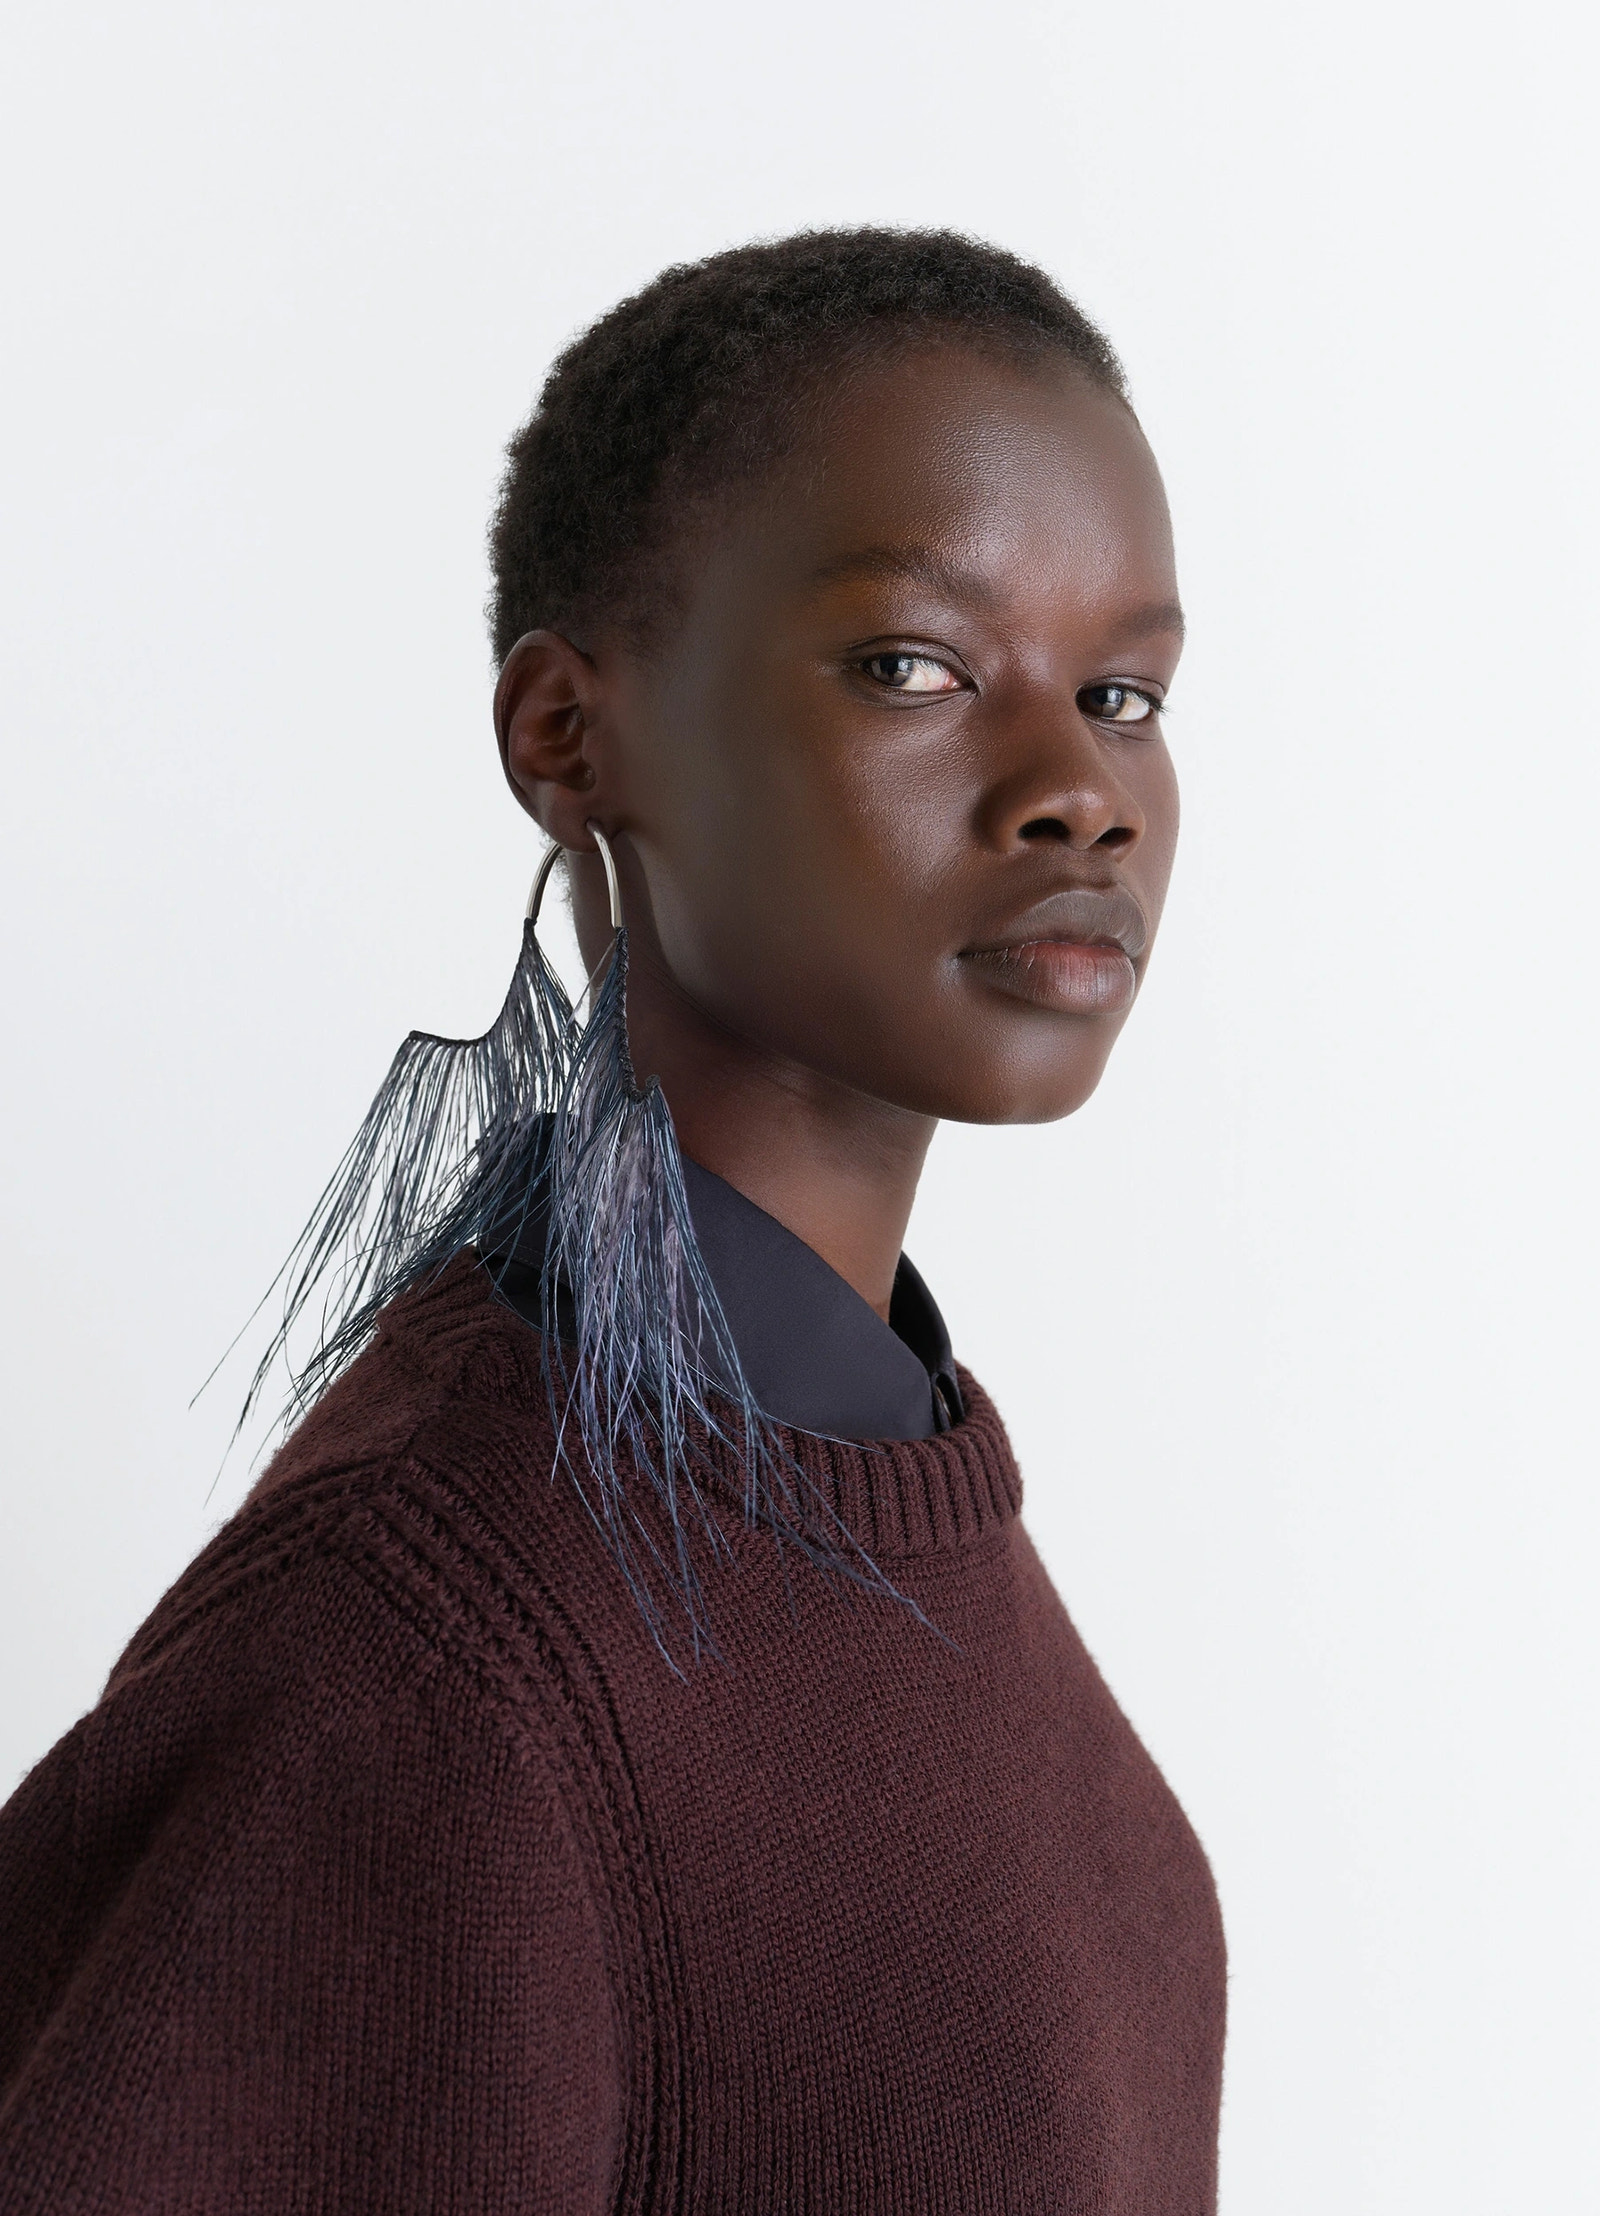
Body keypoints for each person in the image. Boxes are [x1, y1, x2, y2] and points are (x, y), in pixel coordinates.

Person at [0, 228, 1225, 2212]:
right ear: (568, 732)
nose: (1073, 789)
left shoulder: (867, 1474)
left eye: (1120, 692)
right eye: (912, 664)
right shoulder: (420, 1665)